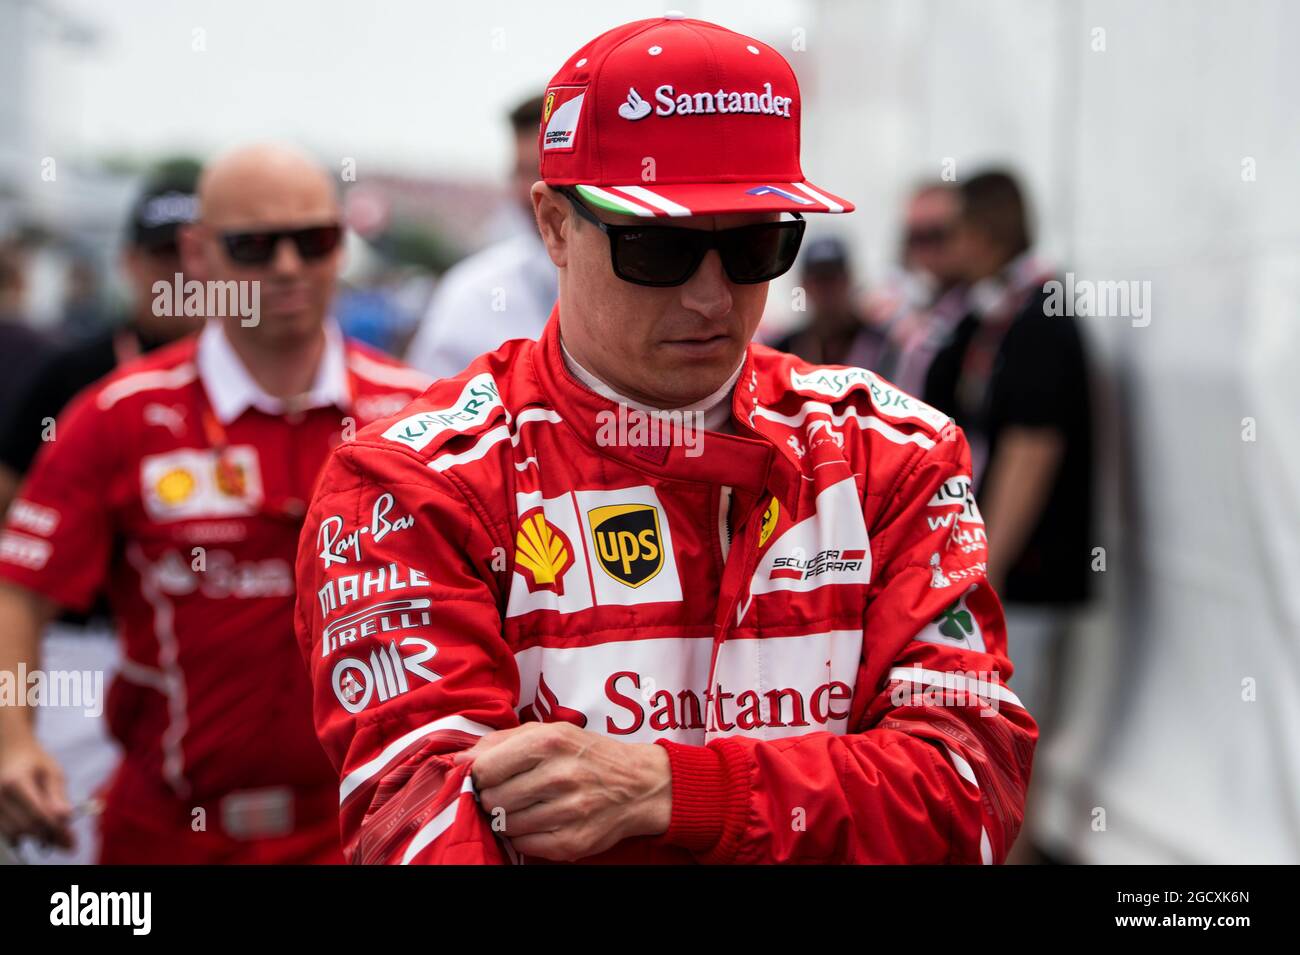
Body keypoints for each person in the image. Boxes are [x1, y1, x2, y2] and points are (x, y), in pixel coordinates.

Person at [297, 15, 1036, 865]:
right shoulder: (411, 483)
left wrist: (671, 792)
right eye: (661, 248)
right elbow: (421, 832)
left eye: (758, 245)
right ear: (553, 226)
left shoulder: (893, 452)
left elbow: (970, 795)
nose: (713, 299)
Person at [0, 144, 431, 863]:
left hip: (363, 829)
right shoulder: (120, 412)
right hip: (166, 834)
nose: (289, 266)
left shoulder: (415, 411)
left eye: (314, 240)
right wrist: (13, 738)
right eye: (255, 246)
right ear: (199, 254)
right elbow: (19, 592)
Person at [923, 170, 1092, 761]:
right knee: (981, 742)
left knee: (1005, 749)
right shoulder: (990, 313)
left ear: (986, 230)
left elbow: (1031, 451)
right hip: (998, 575)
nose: (946, 247)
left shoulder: (1038, 316)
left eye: (954, 231)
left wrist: (981, 574)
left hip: (1023, 578)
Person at [0, 167, 204, 516]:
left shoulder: (260, 373)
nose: (183, 271)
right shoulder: (72, 375)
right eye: (166, 254)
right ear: (130, 262)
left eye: (197, 252)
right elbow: (8, 497)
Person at [404, 94, 558, 378]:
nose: (531, 192)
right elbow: (429, 407)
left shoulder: (641, 286)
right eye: (520, 173)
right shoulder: (470, 295)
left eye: (542, 171)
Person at [771, 236, 893, 371]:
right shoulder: (786, 348)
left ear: (848, 280)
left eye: (833, 278)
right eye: (819, 279)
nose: (826, 288)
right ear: (804, 284)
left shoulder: (880, 345)